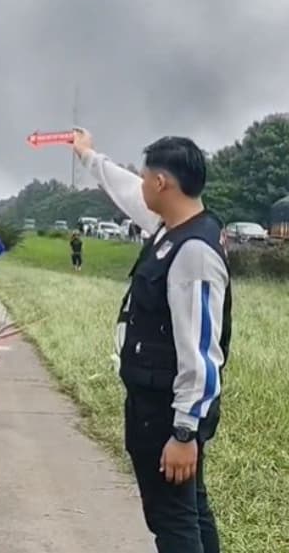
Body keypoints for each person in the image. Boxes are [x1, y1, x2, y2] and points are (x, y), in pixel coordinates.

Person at [72, 127, 231, 553]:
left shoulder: (193, 252)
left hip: (168, 413)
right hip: (157, 404)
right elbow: (123, 188)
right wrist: (88, 156)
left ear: (162, 183)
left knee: (172, 520)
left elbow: (201, 353)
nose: (139, 184)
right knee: (190, 510)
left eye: (146, 178)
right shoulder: (171, 227)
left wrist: (183, 434)